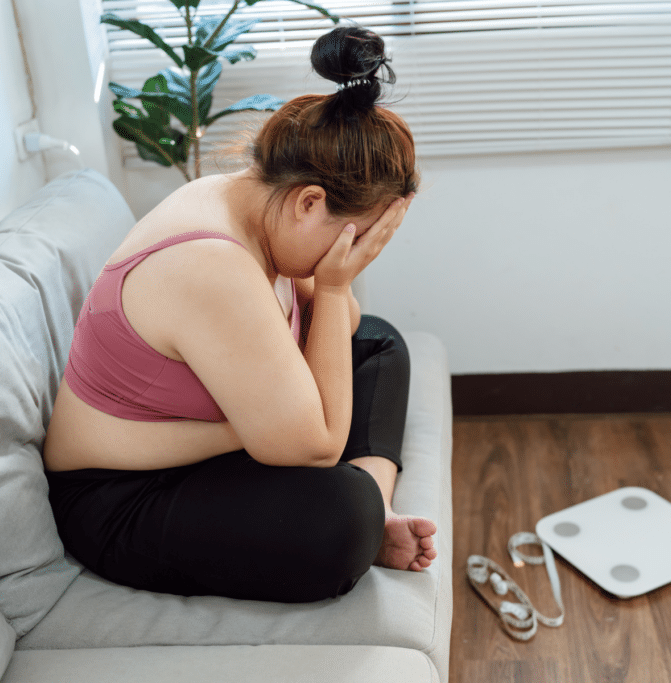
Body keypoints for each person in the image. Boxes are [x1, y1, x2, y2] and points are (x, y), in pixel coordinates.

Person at [41, 26, 437, 603]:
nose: (348, 257)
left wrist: (331, 284)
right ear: (309, 203)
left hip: (198, 444)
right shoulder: (210, 263)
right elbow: (319, 446)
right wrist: (329, 287)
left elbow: (348, 330)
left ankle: (377, 510)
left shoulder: (254, 200)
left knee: (378, 343)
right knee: (342, 517)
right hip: (121, 497)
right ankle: (370, 515)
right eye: (353, 238)